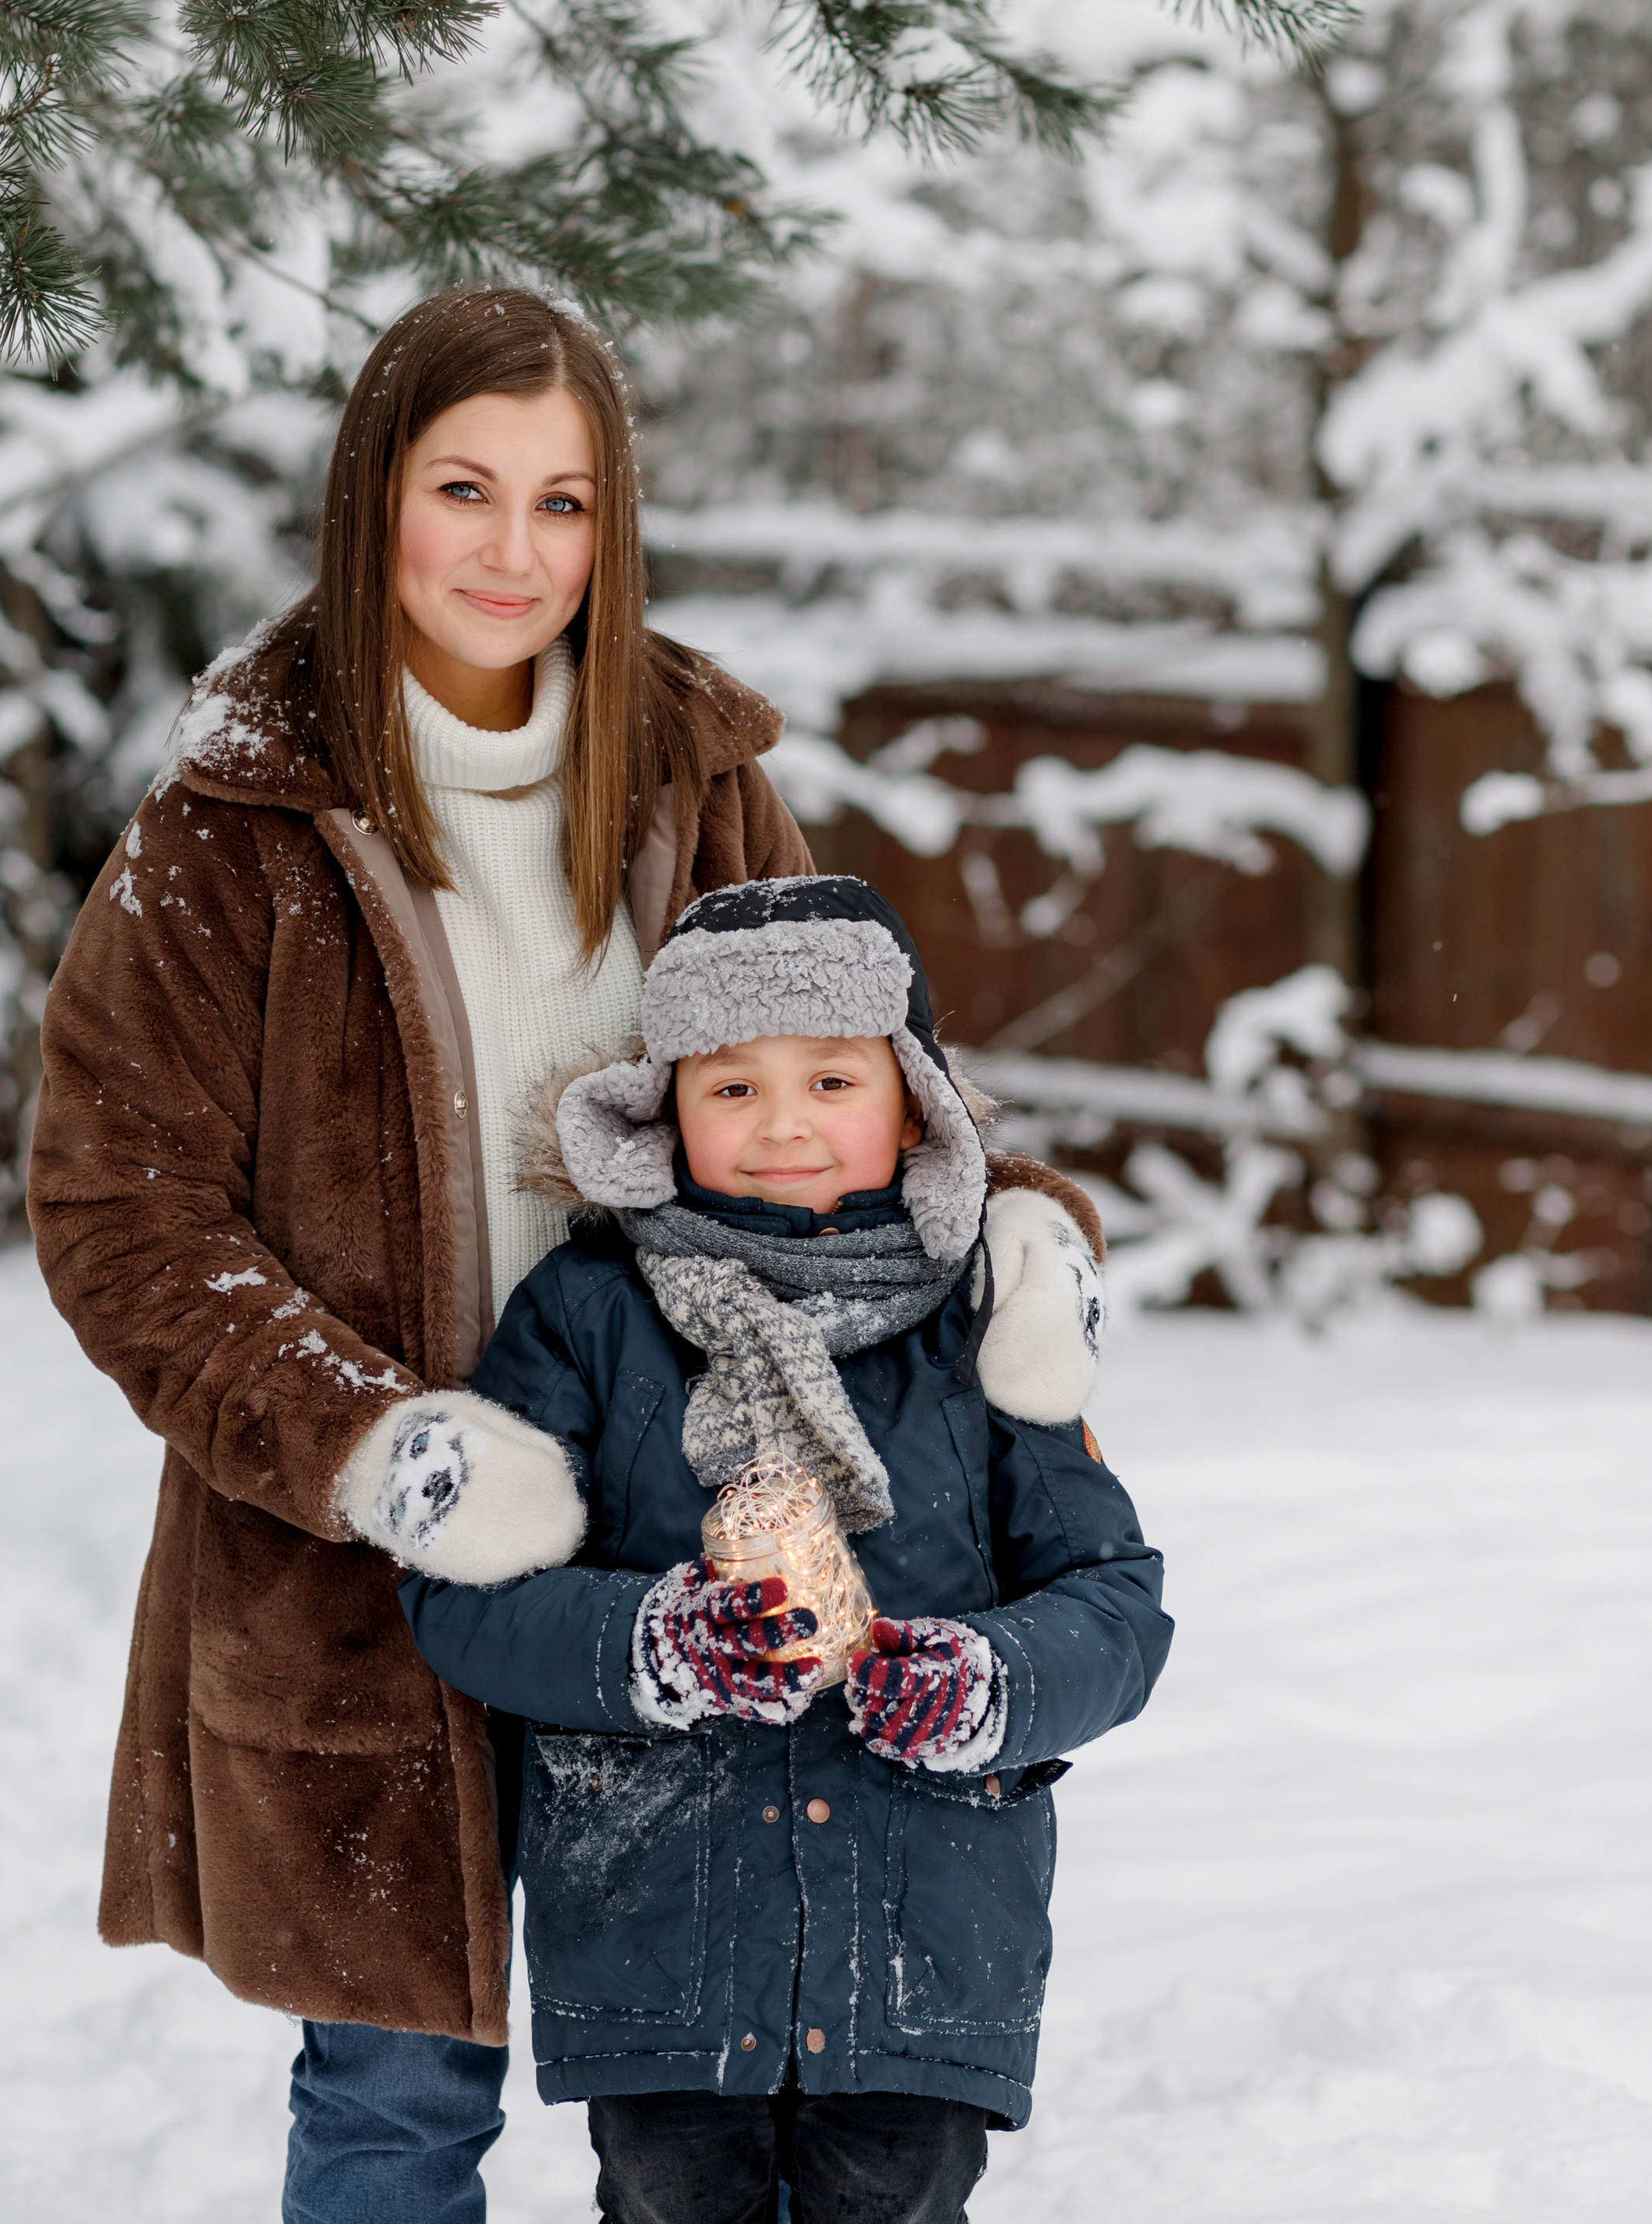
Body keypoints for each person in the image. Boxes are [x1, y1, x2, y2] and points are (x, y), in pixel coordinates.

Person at [26, 286, 818, 2224]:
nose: (513, 551)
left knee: (723, 2121)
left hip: (686, 1554)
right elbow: (122, 1209)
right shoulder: (232, 828)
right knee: (394, 2109)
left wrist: (1019, 1246)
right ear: (371, 495)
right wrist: (388, 1452)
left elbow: (867, 1089)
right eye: (464, 489)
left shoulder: (692, 782)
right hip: (360, 1599)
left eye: (563, 504)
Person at [394, 874, 1172, 2224]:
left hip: (925, 1933)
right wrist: (649, 1643)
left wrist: (994, 1680)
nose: (784, 1127)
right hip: (658, 1930)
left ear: (912, 1099)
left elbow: (1117, 1601)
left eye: (830, 1080)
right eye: (732, 1087)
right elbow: (463, 1597)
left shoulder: (985, 1314)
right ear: (666, 1109)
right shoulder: (589, 1310)